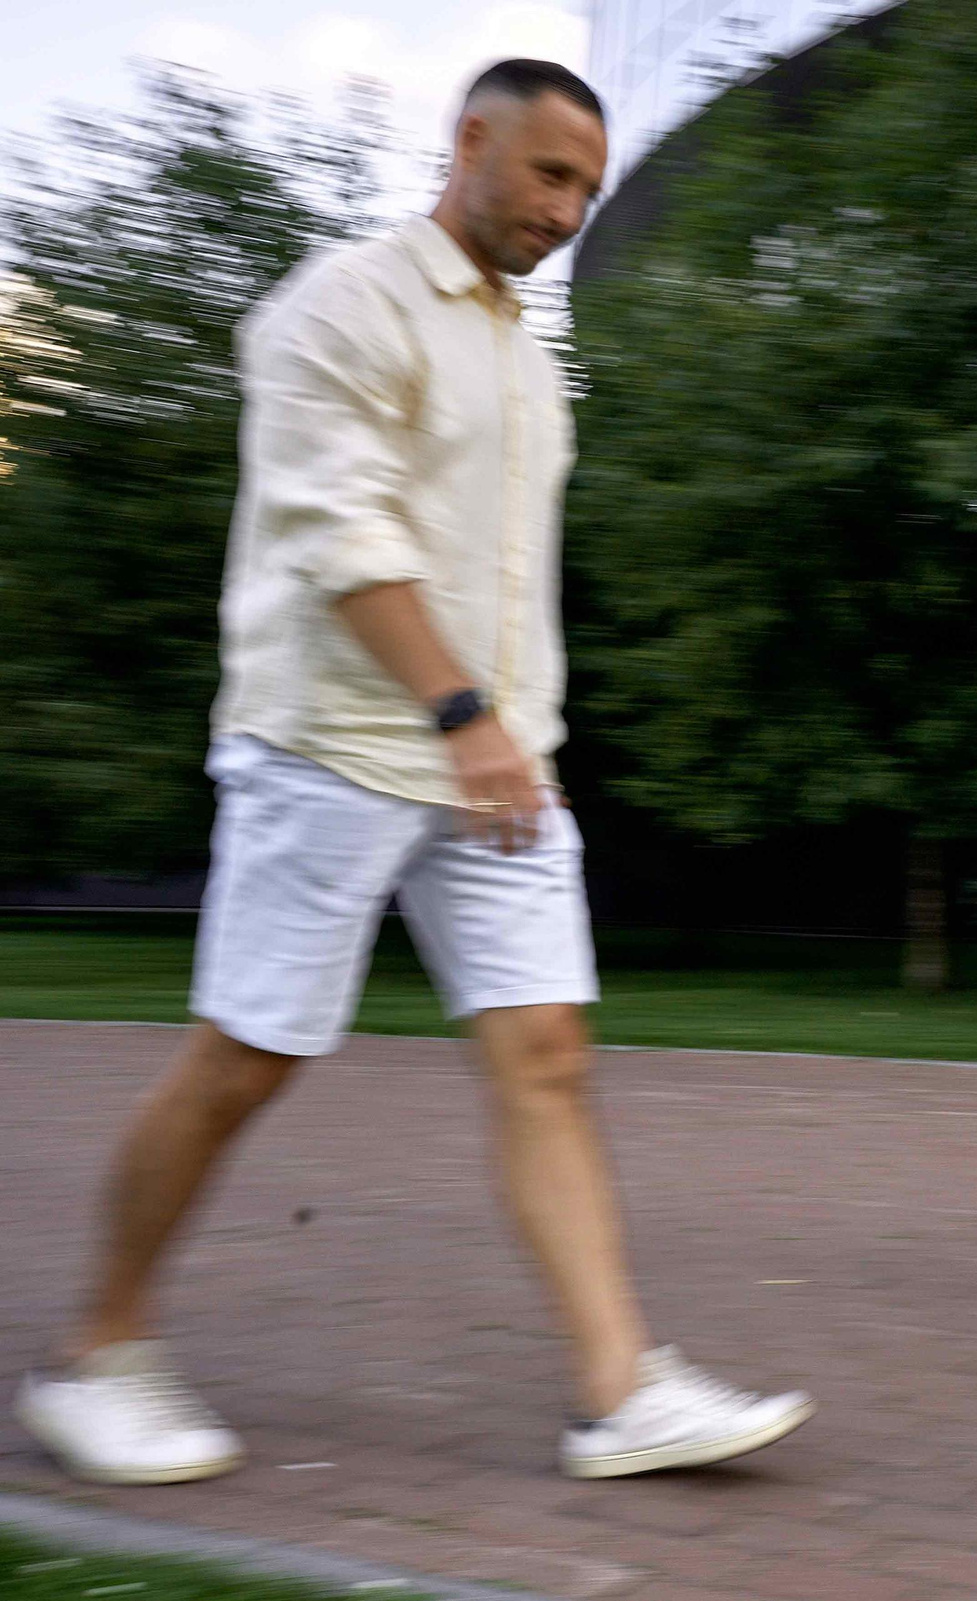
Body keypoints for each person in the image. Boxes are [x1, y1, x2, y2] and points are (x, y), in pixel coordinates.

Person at [13, 60, 813, 1486]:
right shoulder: (343, 307)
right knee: (247, 1058)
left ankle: (619, 1391)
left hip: (499, 769)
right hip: (334, 748)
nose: (569, 212)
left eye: (589, 190)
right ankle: (97, 1355)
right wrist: (461, 711)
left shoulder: (522, 351)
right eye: (551, 176)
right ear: (473, 143)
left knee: (548, 1059)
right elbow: (340, 537)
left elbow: (506, 574)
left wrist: (513, 733)